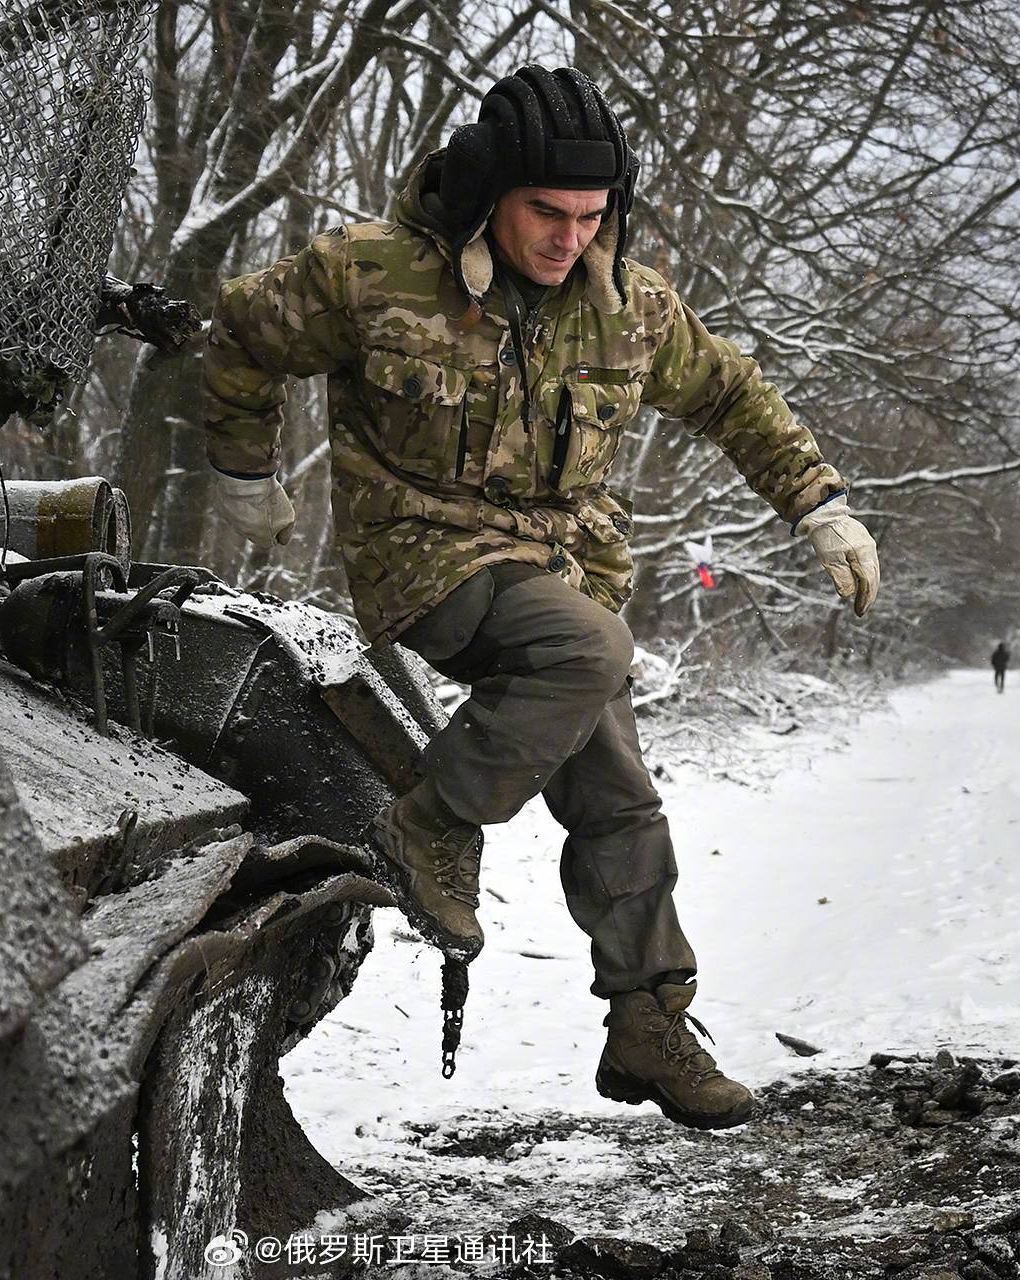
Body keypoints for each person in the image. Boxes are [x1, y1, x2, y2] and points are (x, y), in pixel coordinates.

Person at [201, 66, 880, 1130]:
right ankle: (424, 822)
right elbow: (241, 332)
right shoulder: (373, 276)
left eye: (590, 217)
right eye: (545, 215)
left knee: (617, 793)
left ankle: (646, 1019)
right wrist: (246, 468)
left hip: (565, 569)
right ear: (488, 196)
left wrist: (819, 505)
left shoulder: (628, 308)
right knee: (586, 650)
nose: (569, 239)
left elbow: (732, 395)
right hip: (423, 558)